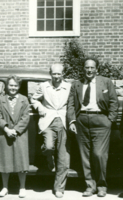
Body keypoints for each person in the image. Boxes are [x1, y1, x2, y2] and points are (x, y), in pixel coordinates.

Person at [67, 57, 118, 197]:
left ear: (97, 69)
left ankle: (101, 185)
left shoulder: (106, 82)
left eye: (92, 67)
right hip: (81, 120)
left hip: (101, 121)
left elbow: (114, 102)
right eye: (86, 67)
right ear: (83, 69)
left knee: (99, 155)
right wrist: (72, 121)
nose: (89, 70)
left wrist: (109, 120)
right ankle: (90, 186)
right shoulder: (76, 84)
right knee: (85, 156)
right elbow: (71, 104)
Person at [30, 64, 71, 198]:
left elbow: (72, 103)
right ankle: (49, 158)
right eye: (54, 74)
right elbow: (34, 99)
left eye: (59, 74)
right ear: (51, 74)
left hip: (64, 122)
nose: (57, 76)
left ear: (62, 74)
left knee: (63, 157)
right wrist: (40, 107)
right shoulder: (44, 86)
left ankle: (59, 188)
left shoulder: (68, 87)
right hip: (48, 121)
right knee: (48, 146)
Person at [0, 75, 30, 198]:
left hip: (20, 134)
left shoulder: (24, 99)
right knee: (5, 161)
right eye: (11, 85)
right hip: (5, 134)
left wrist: (15, 130)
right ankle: (5, 187)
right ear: (7, 86)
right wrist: (6, 129)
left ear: (19, 86)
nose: (13, 88)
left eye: (15, 85)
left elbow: (26, 117)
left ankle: (22, 187)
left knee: (21, 162)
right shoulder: (1, 100)